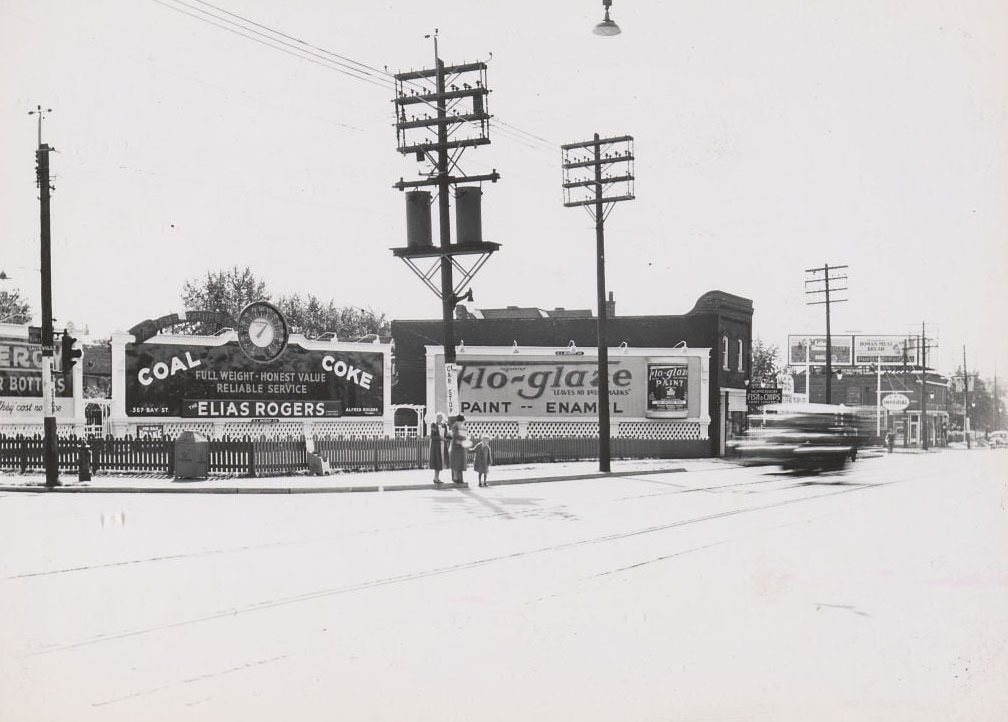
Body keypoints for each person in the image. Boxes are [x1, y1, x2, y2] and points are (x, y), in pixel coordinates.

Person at [448, 414, 470, 485]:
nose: (462, 423)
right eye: (462, 421)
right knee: (456, 463)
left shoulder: (462, 427)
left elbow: (464, 434)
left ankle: (459, 478)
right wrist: (464, 438)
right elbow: (455, 435)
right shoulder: (455, 426)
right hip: (456, 446)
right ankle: (455, 478)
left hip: (461, 446)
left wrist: (464, 438)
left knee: (460, 463)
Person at [429, 412, 450, 484]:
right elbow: (432, 436)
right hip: (436, 446)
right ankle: (435, 478)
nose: (439, 418)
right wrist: (440, 438)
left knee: (440, 462)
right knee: (436, 461)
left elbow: (446, 435)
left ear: (442, 418)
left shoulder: (444, 425)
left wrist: (449, 437)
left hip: (443, 446)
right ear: (436, 418)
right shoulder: (434, 425)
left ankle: (437, 478)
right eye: (438, 417)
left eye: (441, 417)